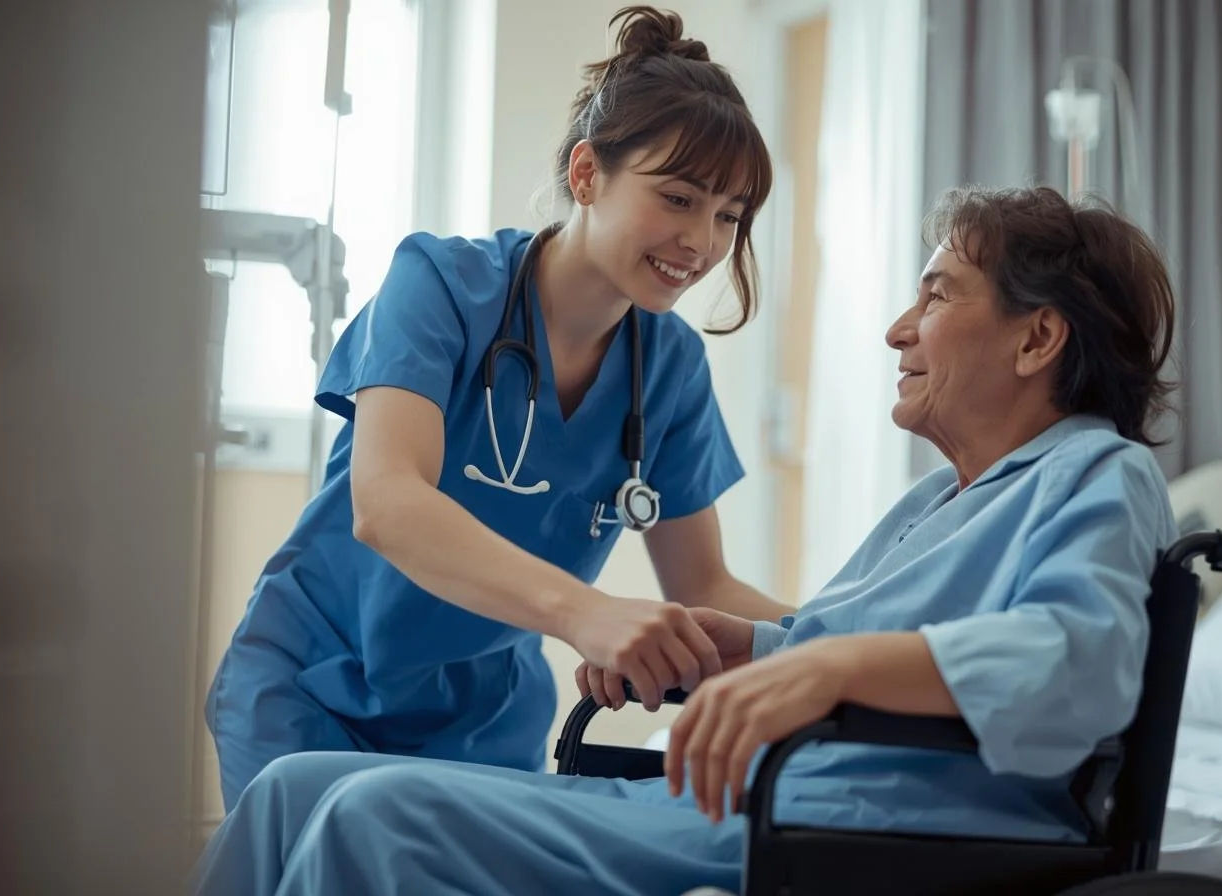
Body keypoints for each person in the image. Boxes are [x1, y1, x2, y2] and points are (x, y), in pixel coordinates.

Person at [191, 184, 1182, 896]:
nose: (896, 330)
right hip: (749, 799)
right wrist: (723, 647)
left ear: (1036, 338)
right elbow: (830, 648)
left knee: (374, 818)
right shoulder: (938, 506)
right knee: (288, 790)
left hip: (848, 825)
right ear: (587, 175)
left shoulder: (1099, 474)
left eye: (936, 295)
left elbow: (1080, 662)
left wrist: (821, 662)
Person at [204, 5, 794, 813]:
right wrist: (585, 613)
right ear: (587, 175)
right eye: (680, 198)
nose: (702, 240)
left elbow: (705, 581)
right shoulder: (442, 286)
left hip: (483, 723)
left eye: (728, 214)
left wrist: (860, 634)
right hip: (318, 686)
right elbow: (388, 503)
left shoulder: (671, 368)